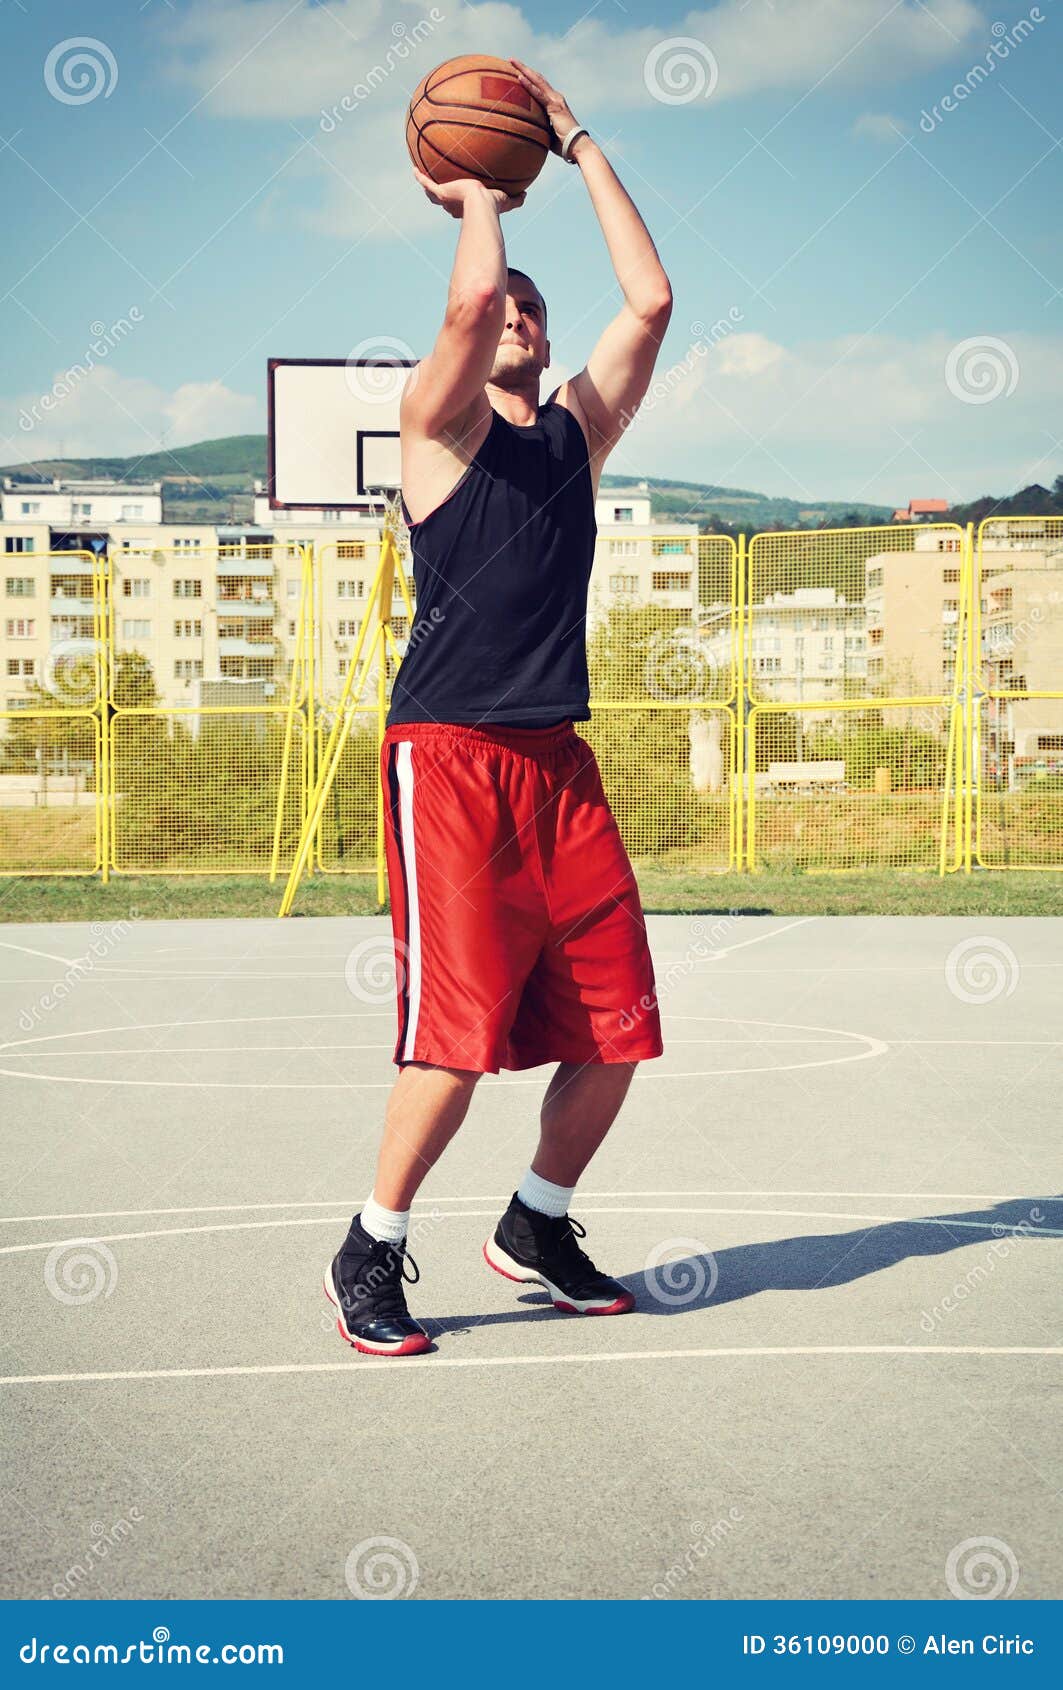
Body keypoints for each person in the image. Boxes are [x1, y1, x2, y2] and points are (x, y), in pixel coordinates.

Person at [324, 59, 672, 1355]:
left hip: (555, 762)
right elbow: (470, 295)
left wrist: (574, 142)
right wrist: (482, 195)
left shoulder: (571, 436)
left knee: (620, 1026)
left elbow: (652, 298)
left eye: (536, 303)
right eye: (505, 304)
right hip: (450, 754)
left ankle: (537, 1217)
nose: (516, 308)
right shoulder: (437, 427)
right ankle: (374, 1240)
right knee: (455, 1042)